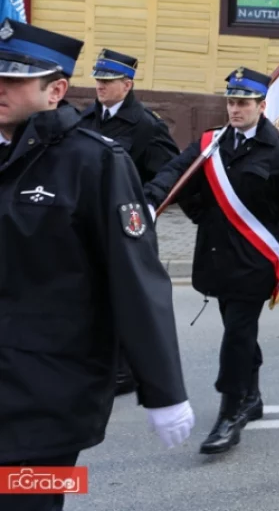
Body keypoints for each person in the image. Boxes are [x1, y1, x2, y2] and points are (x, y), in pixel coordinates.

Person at [0, 19, 193, 511]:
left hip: (46, 396)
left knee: (27, 503)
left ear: (56, 89)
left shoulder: (94, 163)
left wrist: (164, 389)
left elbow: (135, 277)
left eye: (14, 78)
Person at [144, 67, 279, 455]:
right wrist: (151, 200)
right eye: (231, 102)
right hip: (216, 257)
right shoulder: (209, 143)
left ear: (261, 106)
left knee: (236, 333)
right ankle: (252, 397)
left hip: (255, 260)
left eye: (243, 103)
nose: (235, 109)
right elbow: (175, 172)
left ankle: (231, 410)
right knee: (240, 332)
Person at [78, 48, 181, 396]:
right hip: (90, 222)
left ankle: (127, 370)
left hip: (128, 225)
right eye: (98, 80)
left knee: (126, 296)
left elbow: (171, 171)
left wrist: (148, 202)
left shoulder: (147, 126)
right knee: (94, 294)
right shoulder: (85, 118)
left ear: (127, 84)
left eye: (107, 81)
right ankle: (102, 361)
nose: (100, 87)